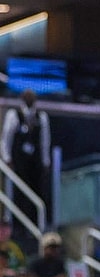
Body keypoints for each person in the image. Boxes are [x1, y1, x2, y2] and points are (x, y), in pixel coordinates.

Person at [0, 89, 52, 231]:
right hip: (19, 160)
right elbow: (6, 138)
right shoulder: (14, 115)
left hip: (35, 162)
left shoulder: (41, 117)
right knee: (19, 192)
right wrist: (7, 158)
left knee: (36, 191)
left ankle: (35, 225)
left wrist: (46, 162)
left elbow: (45, 142)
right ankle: (17, 226)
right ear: (22, 99)